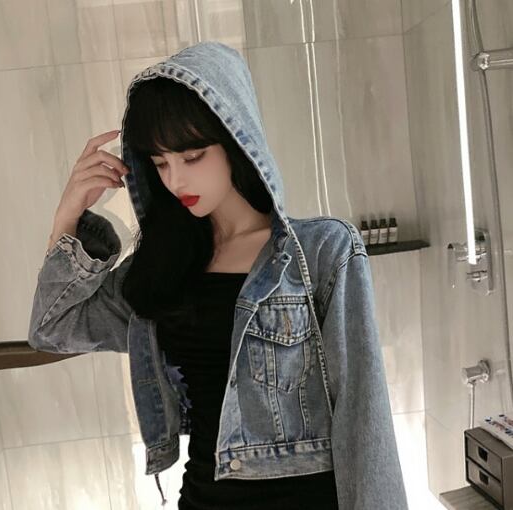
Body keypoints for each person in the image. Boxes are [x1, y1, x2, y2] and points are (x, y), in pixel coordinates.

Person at [28, 41, 409, 509]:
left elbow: (363, 416)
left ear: (236, 141)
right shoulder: (162, 267)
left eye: (192, 157)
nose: (175, 180)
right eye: (160, 162)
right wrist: (67, 216)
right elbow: (53, 328)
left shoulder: (322, 251)